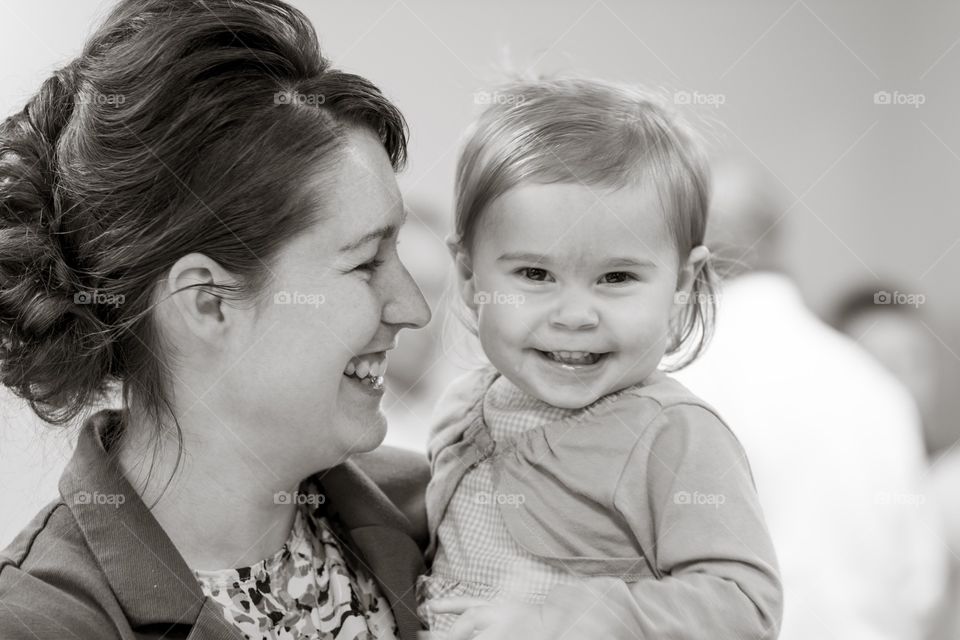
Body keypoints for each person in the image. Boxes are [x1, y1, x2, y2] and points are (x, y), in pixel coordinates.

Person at [0, 3, 701, 639]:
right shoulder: (46, 622)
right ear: (208, 303)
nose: (414, 307)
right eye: (367, 263)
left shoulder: (449, 506)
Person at [415, 77, 783, 640]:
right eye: (535, 275)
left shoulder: (673, 436)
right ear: (468, 277)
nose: (575, 315)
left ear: (682, 284)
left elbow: (742, 606)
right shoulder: (464, 407)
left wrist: (565, 622)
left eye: (616, 277)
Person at [673, 159, 946, 640]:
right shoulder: (873, 386)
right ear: (776, 237)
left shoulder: (679, 375)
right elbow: (923, 584)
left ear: (689, 247)